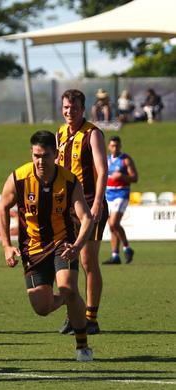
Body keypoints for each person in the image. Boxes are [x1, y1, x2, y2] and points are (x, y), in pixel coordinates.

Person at [0, 130, 94, 361]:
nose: (40, 161)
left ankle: (82, 346)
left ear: (56, 155)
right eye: (36, 156)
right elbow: (2, 207)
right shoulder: (18, 178)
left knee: (69, 288)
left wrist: (78, 246)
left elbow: (87, 218)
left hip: (63, 243)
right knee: (42, 308)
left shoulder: (69, 180)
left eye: (45, 156)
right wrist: (6, 246)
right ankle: (68, 303)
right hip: (33, 249)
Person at [56, 89, 108, 335]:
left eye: (74, 108)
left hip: (89, 205)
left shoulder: (93, 133)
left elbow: (102, 169)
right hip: (67, 208)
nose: (69, 111)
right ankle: (73, 315)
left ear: (82, 109)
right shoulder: (61, 133)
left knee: (88, 261)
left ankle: (91, 317)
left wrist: (97, 202)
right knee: (68, 260)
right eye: (66, 107)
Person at [103, 136, 138, 265]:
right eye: (112, 145)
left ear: (120, 146)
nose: (115, 148)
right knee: (112, 226)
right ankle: (115, 255)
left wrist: (122, 176)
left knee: (113, 223)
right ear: (109, 146)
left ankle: (127, 247)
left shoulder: (125, 160)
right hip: (108, 194)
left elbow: (135, 178)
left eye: (117, 145)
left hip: (121, 194)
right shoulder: (106, 160)